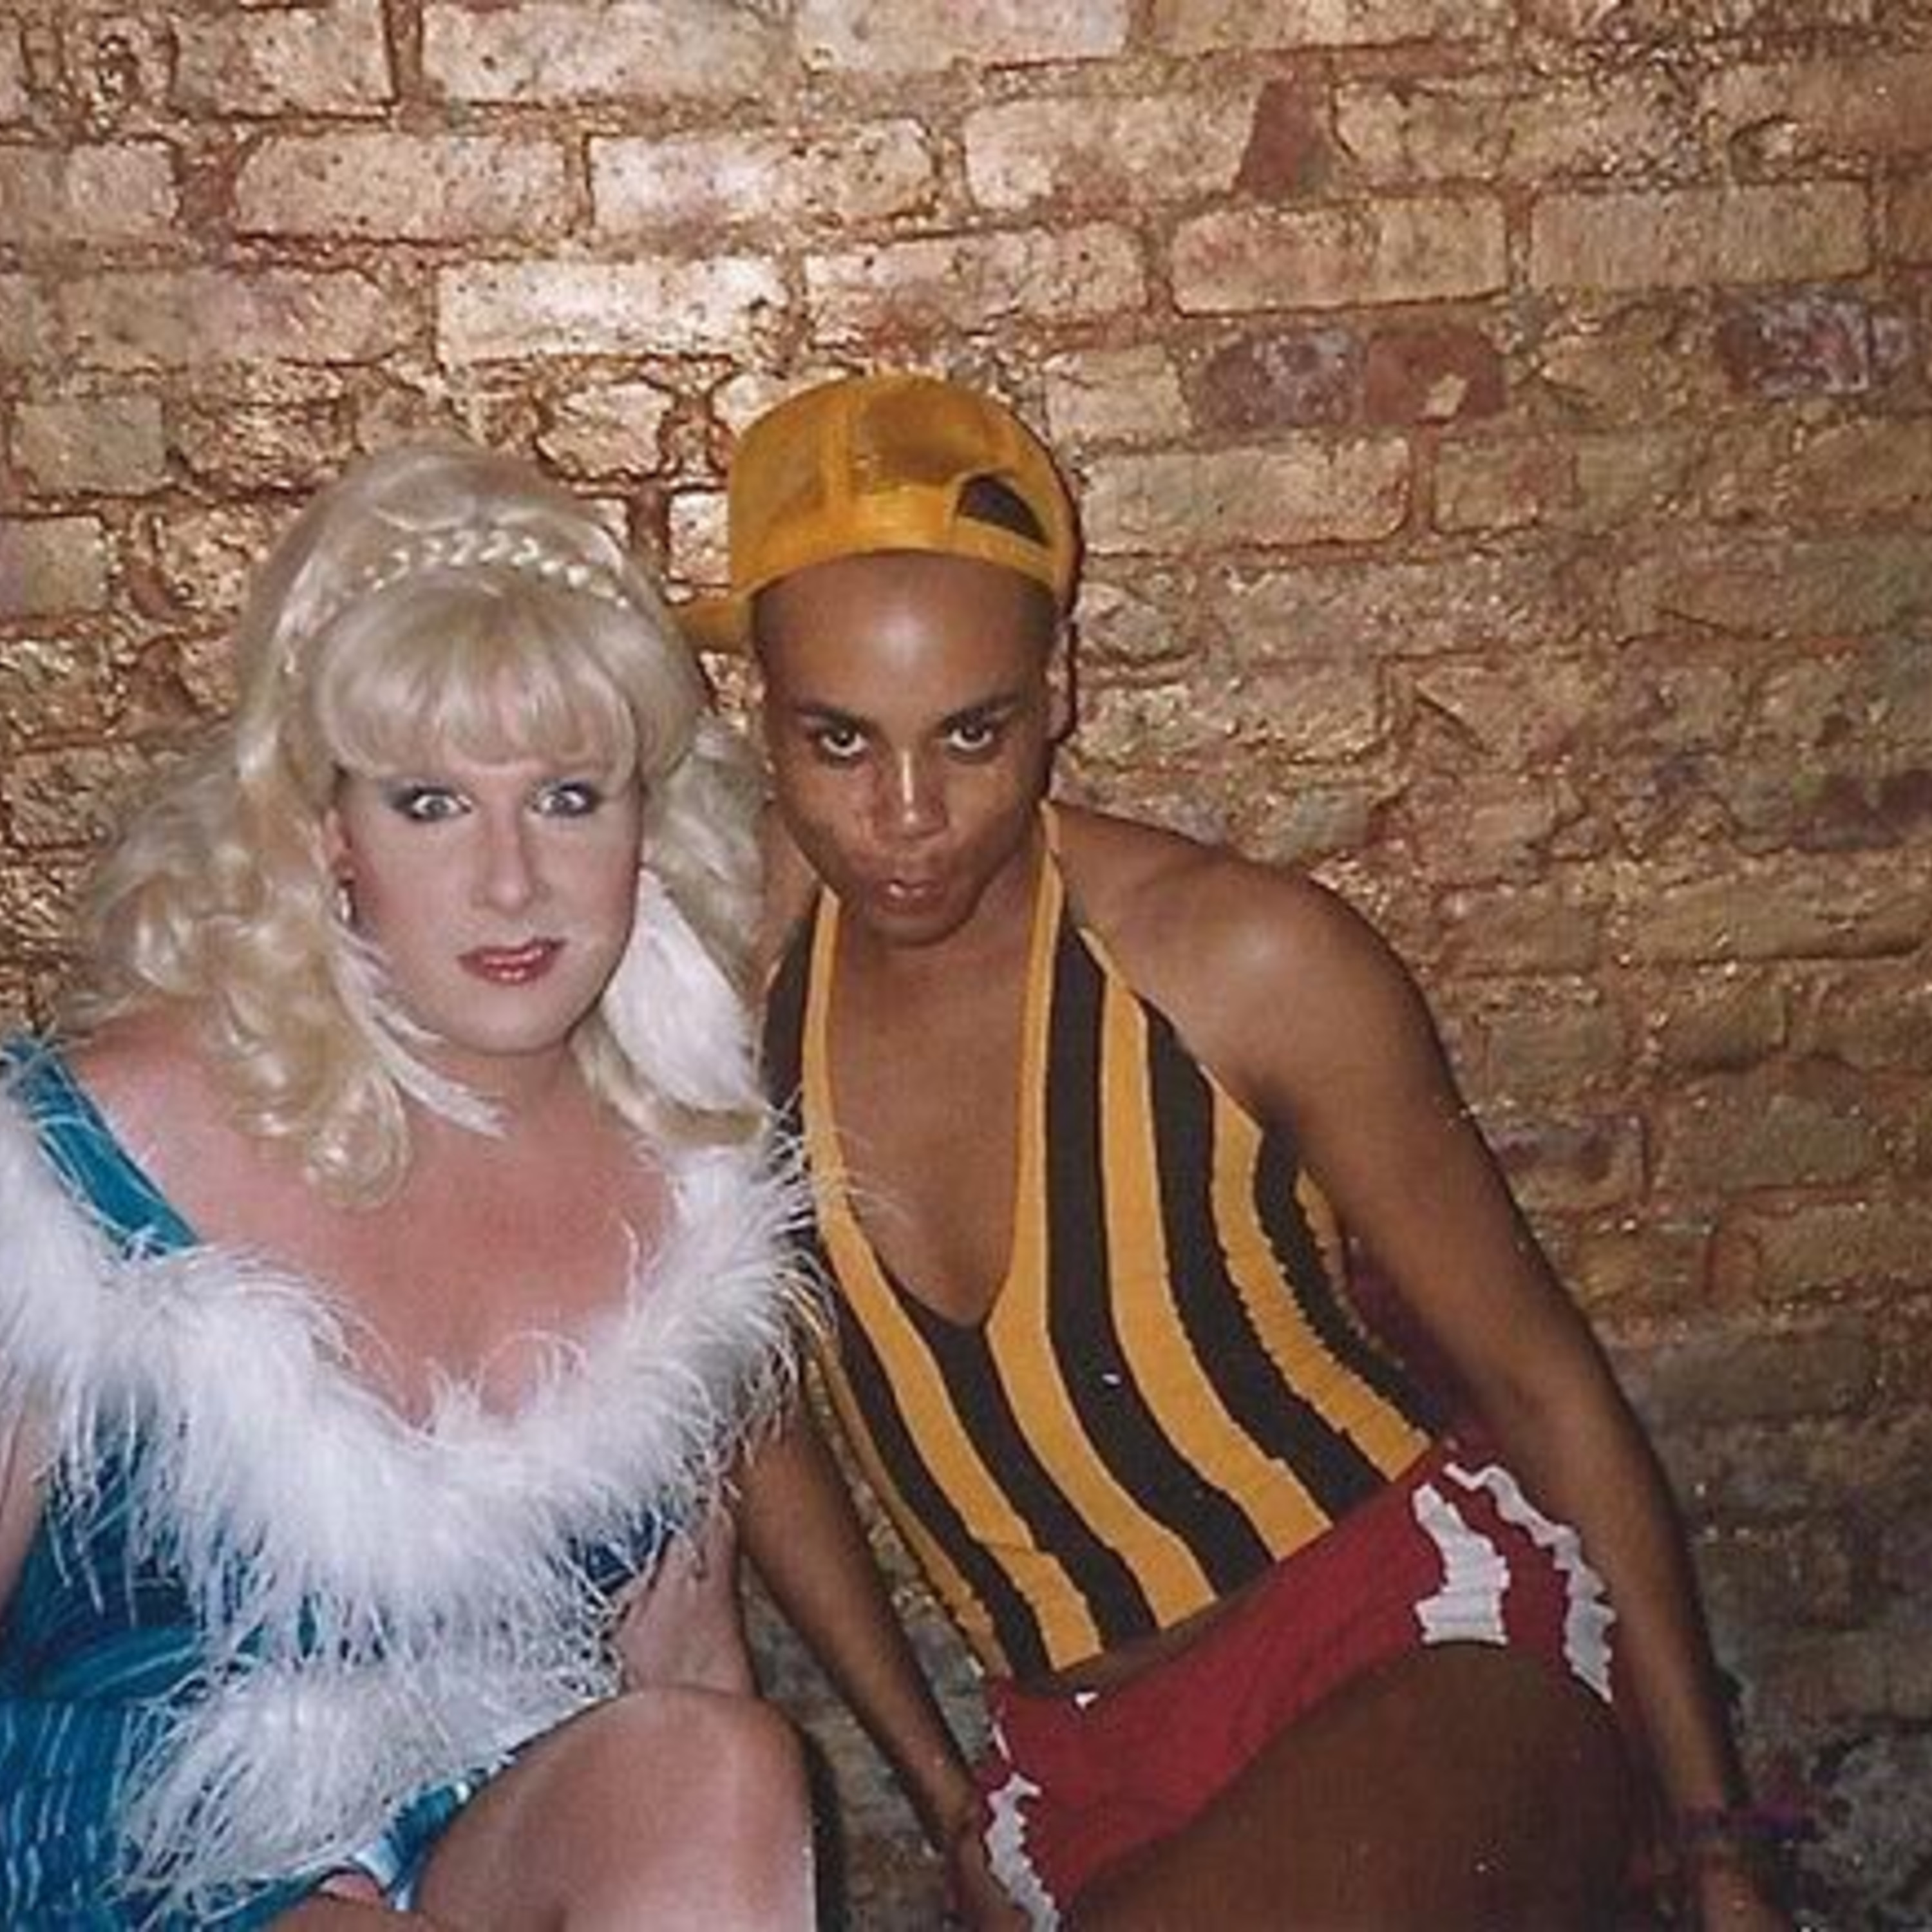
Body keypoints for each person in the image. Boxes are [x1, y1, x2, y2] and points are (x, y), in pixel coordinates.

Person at [681, 372, 1792, 1929]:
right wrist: (949, 1805)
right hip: (1079, 1767)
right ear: (764, 720)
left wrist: (1723, 1845)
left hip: (1410, 1640)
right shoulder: (725, 1017)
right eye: (841, 742)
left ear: (1060, 691)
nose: (909, 814)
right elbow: (750, 1426)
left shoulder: (1237, 962)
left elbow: (1544, 1382)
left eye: (974, 733)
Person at [0, 440, 819, 1928]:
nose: (512, 884)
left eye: (568, 797)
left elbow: (691, 1663)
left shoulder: (686, 1182)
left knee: (723, 1768)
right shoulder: (91, 1159)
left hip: (475, 1826)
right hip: (125, 1856)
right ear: (327, 831)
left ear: (645, 819)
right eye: (431, 804)